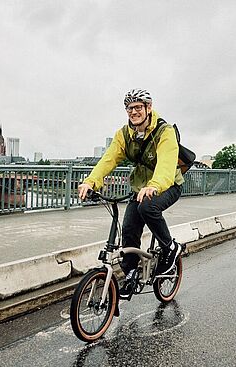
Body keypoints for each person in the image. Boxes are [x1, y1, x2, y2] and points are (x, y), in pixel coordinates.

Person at [77, 89, 184, 296]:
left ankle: (170, 247)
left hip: (168, 184)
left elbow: (166, 164)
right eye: (129, 109)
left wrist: (154, 185)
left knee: (148, 207)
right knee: (128, 229)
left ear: (148, 108)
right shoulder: (124, 134)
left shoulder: (165, 131)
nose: (133, 112)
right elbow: (109, 159)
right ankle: (131, 272)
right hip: (140, 188)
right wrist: (91, 182)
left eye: (137, 107)